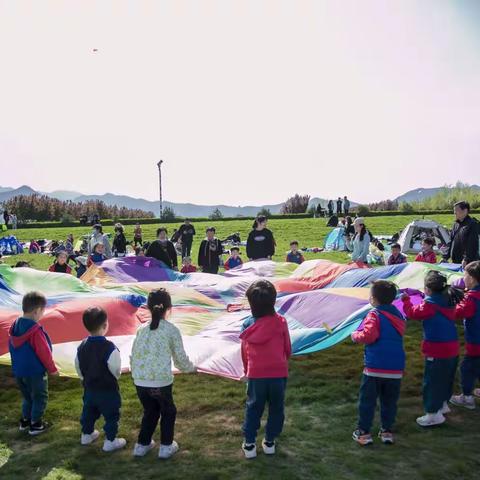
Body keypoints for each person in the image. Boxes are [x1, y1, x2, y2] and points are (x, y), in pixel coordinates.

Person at [131, 289, 196, 459]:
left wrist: (137, 373)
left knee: (150, 411)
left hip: (140, 381)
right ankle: (166, 446)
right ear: (169, 308)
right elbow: (180, 358)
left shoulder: (141, 329)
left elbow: (134, 354)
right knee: (168, 411)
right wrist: (191, 368)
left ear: (149, 307)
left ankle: (141, 445)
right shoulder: (171, 330)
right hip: (160, 382)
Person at [402, 271, 463, 427]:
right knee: (446, 377)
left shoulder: (429, 305)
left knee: (432, 381)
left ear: (428, 289)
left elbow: (412, 313)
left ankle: (432, 414)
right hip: (452, 347)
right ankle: (442, 404)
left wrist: (406, 300)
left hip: (437, 349)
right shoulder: (449, 300)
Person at [240, 280, 291, 459]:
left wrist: (247, 371)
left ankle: (249, 444)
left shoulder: (248, 325)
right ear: (273, 301)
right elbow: (288, 349)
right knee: (276, 408)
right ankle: (269, 442)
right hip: (278, 373)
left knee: (253, 408)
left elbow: (244, 353)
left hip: (256, 375)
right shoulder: (281, 322)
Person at [351, 281, 406, 446]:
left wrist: (355, 335)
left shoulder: (374, 315)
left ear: (373, 299)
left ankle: (364, 432)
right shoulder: (398, 315)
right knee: (389, 401)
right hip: (395, 368)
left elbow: (369, 336)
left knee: (367, 401)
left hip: (375, 368)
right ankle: (386, 431)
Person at [75, 307, 126, 452]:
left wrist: (83, 378)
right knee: (111, 415)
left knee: (88, 411)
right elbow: (115, 368)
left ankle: (86, 434)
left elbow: (78, 365)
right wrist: (116, 377)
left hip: (89, 388)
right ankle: (110, 441)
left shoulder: (81, 346)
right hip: (107, 389)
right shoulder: (110, 347)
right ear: (105, 325)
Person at [8, 291, 58, 435]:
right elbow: (44, 353)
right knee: (39, 396)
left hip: (19, 372)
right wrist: (52, 369)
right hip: (35, 372)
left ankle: (25, 420)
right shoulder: (35, 331)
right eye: (43, 311)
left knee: (27, 396)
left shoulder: (15, 326)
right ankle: (36, 424)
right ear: (37, 311)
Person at [450, 261, 480, 410]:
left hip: (476, 341)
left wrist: (454, 302)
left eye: (465, 275)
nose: (464, 278)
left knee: (467, 368)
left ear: (473, 279)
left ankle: (467, 397)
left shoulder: (472, 299)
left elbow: (457, 312)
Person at [444, 201, 479, 267]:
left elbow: (472, 243)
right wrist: (445, 257)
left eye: (456, 210)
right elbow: (451, 241)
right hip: (455, 261)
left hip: (468, 263)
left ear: (465, 211)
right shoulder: (455, 224)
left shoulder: (472, 224)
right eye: (454, 210)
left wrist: (466, 258)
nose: (454, 212)